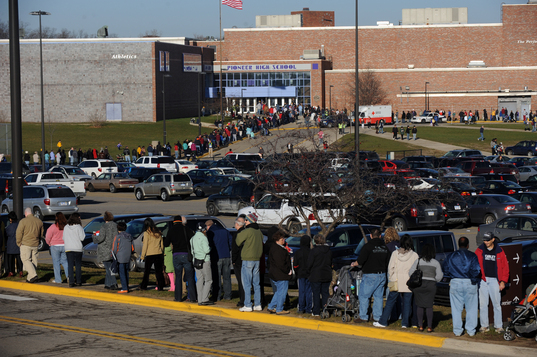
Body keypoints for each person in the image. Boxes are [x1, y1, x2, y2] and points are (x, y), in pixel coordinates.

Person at [375, 234, 418, 328]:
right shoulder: (414, 255)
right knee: (407, 304)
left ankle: (383, 321)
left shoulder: (395, 253)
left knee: (390, 302)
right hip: (409, 282)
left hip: (396, 281)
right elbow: (415, 270)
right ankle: (405, 323)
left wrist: (392, 277)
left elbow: (390, 268)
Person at [444, 237, 481, 337]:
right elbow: (477, 270)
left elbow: (446, 269)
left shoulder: (451, 256)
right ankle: (471, 330)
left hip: (455, 281)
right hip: (469, 281)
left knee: (456, 308)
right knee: (472, 308)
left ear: (459, 244)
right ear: (468, 245)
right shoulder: (472, 256)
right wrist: (474, 279)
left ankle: (457, 330)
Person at [352, 228, 389, 323]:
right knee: (378, 296)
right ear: (380, 236)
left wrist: (354, 263)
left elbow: (360, 260)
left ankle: (363, 316)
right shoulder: (385, 247)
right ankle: (377, 316)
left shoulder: (368, 246)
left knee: (364, 295)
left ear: (371, 236)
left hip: (370, 275)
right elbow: (388, 261)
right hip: (382, 274)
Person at [475, 232, 509, 333]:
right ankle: (484, 326)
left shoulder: (499, 251)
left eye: (488, 240)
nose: (486, 242)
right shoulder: (479, 250)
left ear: (493, 239)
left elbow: (505, 267)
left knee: (497, 304)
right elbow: (474, 263)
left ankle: (499, 326)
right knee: (483, 304)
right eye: (484, 240)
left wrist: (503, 281)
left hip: (495, 280)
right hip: (483, 280)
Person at [409, 244, 443, 332]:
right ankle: (429, 327)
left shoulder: (418, 261)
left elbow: (410, 273)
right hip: (431, 285)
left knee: (419, 306)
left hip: (419, 285)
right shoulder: (436, 263)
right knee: (429, 306)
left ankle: (420, 326)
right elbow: (439, 276)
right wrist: (433, 280)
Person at [164, 216, 196, 302]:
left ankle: (178, 297)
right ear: (181, 221)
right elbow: (193, 238)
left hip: (176, 255)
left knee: (178, 277)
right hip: (186, 255)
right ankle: (192, 297)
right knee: (190, 276)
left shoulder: (171, 230)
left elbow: (166, 243)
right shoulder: (186, 229)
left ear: (174, 222)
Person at [236, 212, 264, 312]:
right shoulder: (259, 232)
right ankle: (258, 304)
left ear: (250, 221)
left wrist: (242, 230)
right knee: (256, 283)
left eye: (246, 220)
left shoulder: (248, 231)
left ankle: (248, 304)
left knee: (246, 283)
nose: (245, 222)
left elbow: (238, 240)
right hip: (257, 259)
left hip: (248, 259)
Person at [306, 234, 333, 317]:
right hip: (326, 274)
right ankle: (325, 309)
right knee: (325, 293)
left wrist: (308, 271)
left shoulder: (314, 251)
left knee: (316, 294)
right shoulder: (329, 251)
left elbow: (309, 264)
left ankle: (316, 311)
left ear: (315, 241)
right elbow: (331, 262)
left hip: (316, 275)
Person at [206, 220, 233, 301]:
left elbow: (209, 245)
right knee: (227, 277)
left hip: (216, 257)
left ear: (208, 226)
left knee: (216, 277)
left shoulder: (211, 232)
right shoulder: (225, 231)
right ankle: (228, 295)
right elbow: (231, 242)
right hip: (226, 256)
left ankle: (217, 295)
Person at [267, 230, 292, 315]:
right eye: (282, 239)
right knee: (282, 292)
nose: (284, 240)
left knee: (278, 292)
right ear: (277, 240)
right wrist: (288, 270)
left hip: (274, 273)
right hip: (281, 274)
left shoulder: (274, 248)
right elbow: (281, 264)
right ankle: (279, 309)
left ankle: (271, 306)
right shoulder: (280, 250)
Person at [16, 207, 44, 283]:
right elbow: (41, 233)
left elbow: (19, 233)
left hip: (26, 244)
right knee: (34, 260)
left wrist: (18, 242)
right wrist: (38, 240)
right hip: (35, 244)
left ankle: (33, 275)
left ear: (26, 213)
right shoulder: (39, 221)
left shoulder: (23, 221)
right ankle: (29, 278)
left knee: (25, 260)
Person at [92, 211, 118, 290]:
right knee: (109, 266)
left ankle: (114, 283)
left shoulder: (104, 226)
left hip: (105, 249)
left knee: (108, 268)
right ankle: (107, 284)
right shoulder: (115, 225)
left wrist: (94, 237)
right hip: (113, 248)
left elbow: (101, 238)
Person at [139, 218, 165, 291]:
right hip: (158, 253)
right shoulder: (158, 232)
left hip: (150, 254)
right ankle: (160, 286)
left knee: (147, 272)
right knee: (159, 272)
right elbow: (161, 244)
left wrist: (142, 256)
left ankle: (144, 286)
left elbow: (145, 245)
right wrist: (162, 252)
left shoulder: (146, 233)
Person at [191, 224, 213, 305]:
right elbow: (206, 250)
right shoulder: (203, 238)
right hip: (204, 260)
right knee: (208, 280)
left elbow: (192, 250)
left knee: (199, 280)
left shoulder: (193, 238)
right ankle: (205, 298)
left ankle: (199, 299)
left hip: (196, 261)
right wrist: (210, 248)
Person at [45, 212, 68, 284]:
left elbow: (48, 237)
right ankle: (69, 276)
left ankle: (58, 279)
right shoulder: (66, 227)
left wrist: (49, 243)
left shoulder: (53, 226)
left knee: (56, 263)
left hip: (54, 246)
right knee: (65, 262)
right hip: (64, 245)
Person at [63, 213, 85, 287]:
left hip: (68, 248)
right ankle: (78, 281)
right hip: (78, 248)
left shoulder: (66, 227)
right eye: (79, 218)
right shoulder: (79, 227)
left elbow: (63, 238)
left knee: (70, 265)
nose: (80, 219)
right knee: (78, 265)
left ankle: (71, 281)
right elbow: (82, 238)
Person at [111, 222, 133, 293]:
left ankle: (124, 288)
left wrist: (114, 254)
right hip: (128, 256)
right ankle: (127, 286)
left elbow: (114, 248)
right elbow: (133, 248)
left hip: (120, 256)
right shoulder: (130, 236)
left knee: (122, 272)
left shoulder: (117, 237)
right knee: (126, 272)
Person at [293, 235, 312, 314]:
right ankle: (308, 308)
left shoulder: (298, 252)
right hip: (309, 274)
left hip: (301, 274)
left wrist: (297, 271)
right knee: (308, 292)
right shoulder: (311, 252)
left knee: (302, 291)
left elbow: (295, 265)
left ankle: (301, 308)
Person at [232, 217, 246, 307]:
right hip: (246, 259)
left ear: (237, 224)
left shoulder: (237, 234)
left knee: (241, 281)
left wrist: (233, 260)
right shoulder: (247, 232)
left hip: (239, 261)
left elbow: (235, 249)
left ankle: (242, 299)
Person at [5, 212, 22, 277]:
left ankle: (11, 271)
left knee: (10, 259)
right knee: (19, 258)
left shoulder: (9, 227)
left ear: (10, 219)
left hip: (10, 245)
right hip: (18, 245)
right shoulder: (19, 225)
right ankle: (20, 271)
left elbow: (6, 234)